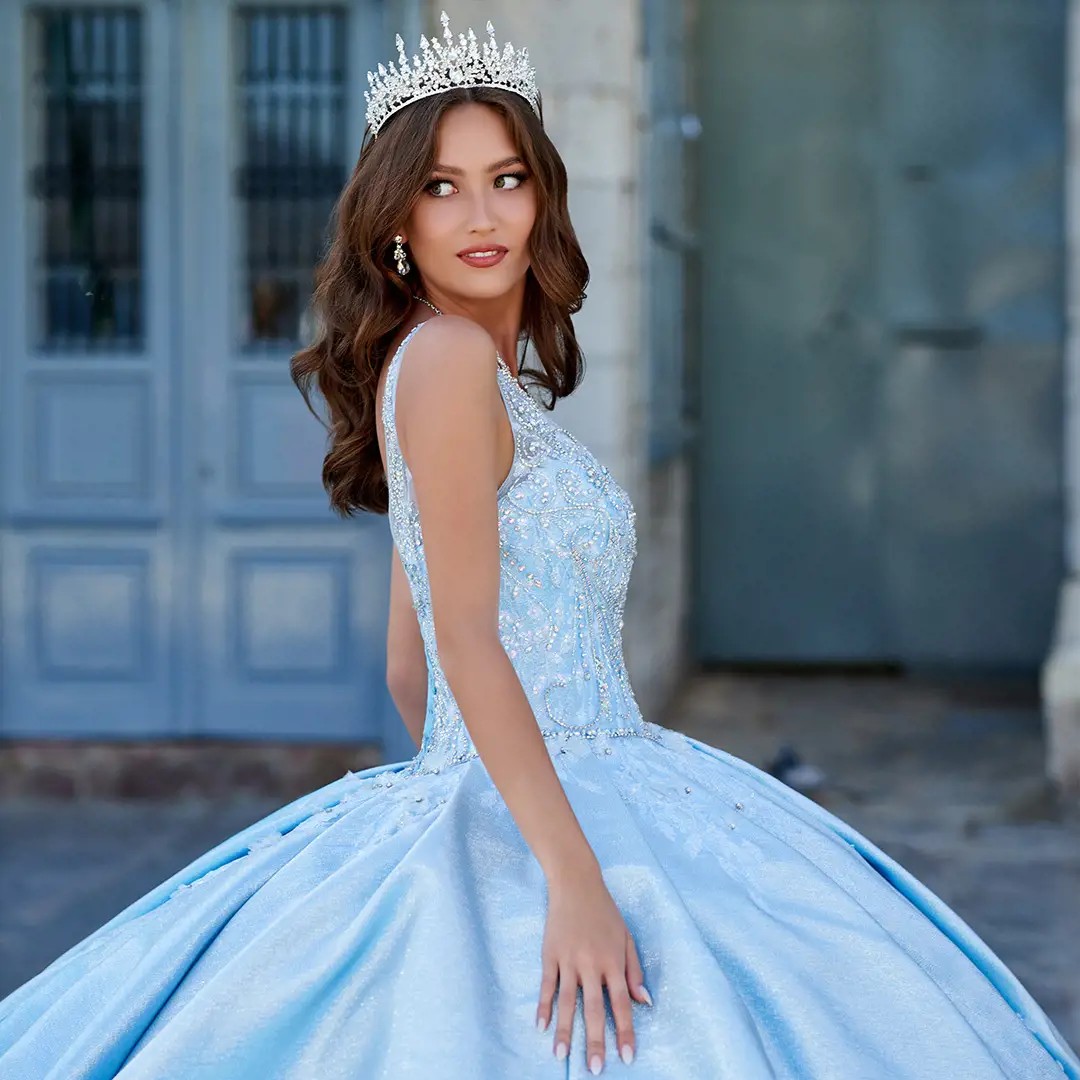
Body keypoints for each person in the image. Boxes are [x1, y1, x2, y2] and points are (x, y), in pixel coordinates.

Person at [1, 12, 1078, 1079]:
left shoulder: (474, 374)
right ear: (395, 224)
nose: (481, 213)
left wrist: (473, 796)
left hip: (592, 773)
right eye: (441, 185)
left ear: (542, 197)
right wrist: (565, 874)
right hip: (573, 799)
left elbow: (403, 662)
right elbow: (461, 641)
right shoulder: (448, 361)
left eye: (507, 178)